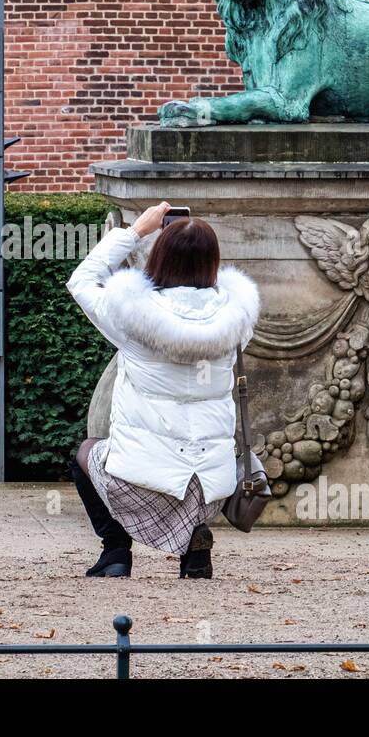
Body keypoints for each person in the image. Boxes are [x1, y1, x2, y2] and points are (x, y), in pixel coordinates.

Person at [66, 202, 260, 579]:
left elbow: (82, 280)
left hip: (141, 482)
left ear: (159, 258)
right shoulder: (236, 319)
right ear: (214, 263)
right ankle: (194, 551)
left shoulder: (131, 316)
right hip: (213, 490)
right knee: (191, 468)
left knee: (86, 454)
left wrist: (136, 230)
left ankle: (116, 553)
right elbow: (207, 294)